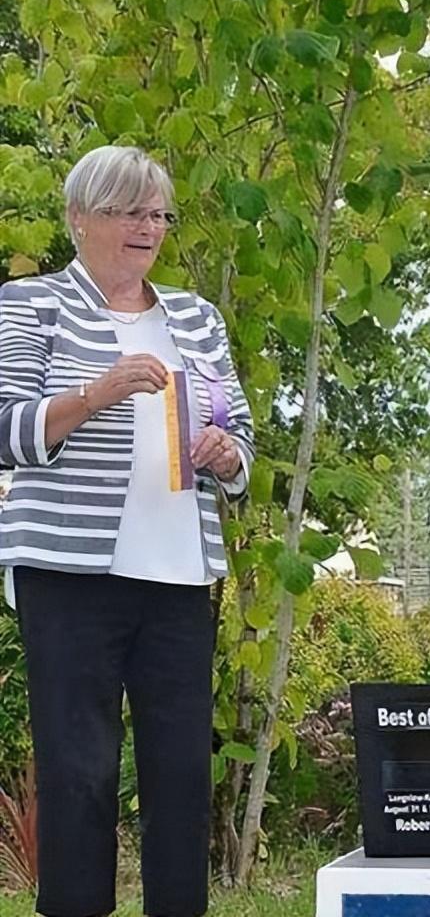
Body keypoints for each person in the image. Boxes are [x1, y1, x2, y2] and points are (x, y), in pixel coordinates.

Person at [0, 145, 254, 916]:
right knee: (80, 773)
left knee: (180, 773)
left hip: (179, 574)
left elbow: (237, 432)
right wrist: (93, 394)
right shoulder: (28, 304)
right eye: (128, 211)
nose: (148, 227)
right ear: (80, 219)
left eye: (158, 214)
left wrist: (227, 454)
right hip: (69, 575)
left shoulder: (196, 318)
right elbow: (9, 431)